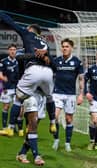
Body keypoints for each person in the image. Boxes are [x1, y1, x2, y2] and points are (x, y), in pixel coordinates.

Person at [0, 12, 56, 165]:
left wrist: (2, 14)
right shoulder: (45, 46)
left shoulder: (28, 39)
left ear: (31, 30)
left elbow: (12, 24)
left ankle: (22, 152)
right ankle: (37, 156)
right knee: (32, 121)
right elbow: (53, 67)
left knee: (34, 124)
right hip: (35, 89)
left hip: (36, 87)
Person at [52, 38, 84, 152]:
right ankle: (56, 139)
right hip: (57, 93)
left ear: (71, 48)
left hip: (70, 95)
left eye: (66, 46)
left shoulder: (77, 62)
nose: (64, 48)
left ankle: (67, 143)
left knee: (69, 119)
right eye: (63, 46)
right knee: (54, 117)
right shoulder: (56, 61)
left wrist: (81, 95)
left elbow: (81, 79)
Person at [0, 43, 24, 136]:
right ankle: (5, 127)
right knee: (6, 107)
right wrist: (2, 78)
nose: (13, 51)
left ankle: (14, 127)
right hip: (7, 88)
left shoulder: (19, 62)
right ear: (8, 51)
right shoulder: (3, 61)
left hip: (17, 88)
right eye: (11, 49)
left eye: (14, 49)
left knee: (19, 109)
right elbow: (0, 74)